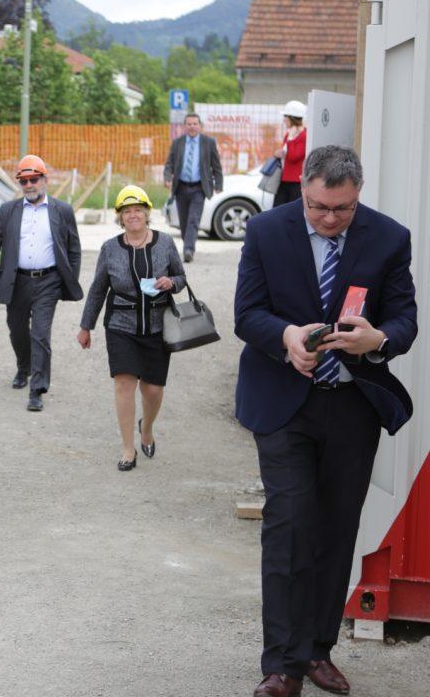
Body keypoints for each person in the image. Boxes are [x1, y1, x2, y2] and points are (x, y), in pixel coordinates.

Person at [234, 145, 417, 697]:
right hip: (282, 402)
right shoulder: (266, 231)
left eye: (342, 209)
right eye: (318, 207)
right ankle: (281, 666)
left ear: (357, 195)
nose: (329, 219)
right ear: (304, 191)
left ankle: (317, 650)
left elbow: (404, 319)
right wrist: (285, 336)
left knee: (337, 530)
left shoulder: (389, 238)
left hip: (352, 404)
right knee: (289, 525)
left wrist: (377, 339)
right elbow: (247, 314)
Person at [76, 185, 186, 470]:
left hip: (157, 327)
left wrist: (171, 283)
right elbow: (98, 289)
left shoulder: (165, 243)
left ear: (147, 214)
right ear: (120, 217)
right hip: (120, 325)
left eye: (138, 210)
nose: (133, 215)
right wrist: (86, 326)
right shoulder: (110, 248)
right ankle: (128, 448)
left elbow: (181, 277)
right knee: (124, 384)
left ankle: (146, 428)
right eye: (127, 211)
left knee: (153, 390)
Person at [0, 154, 82, 411]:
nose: (29, 185)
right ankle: (24, 367)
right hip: (16, 281)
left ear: (44, 180)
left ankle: (37, 389)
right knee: (17, 329)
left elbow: (74, 249)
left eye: (34, 179)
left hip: (48, 281)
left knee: (40, 334)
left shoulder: (62, 210)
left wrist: (68, 279)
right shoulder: (8, 211)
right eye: (24, 181)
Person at [163, 112, 224, 262]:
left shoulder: (208, 142)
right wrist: (167, 178)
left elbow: (216, 165)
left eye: (195, 124)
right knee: (184, 221)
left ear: (200, 126)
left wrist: (218, 183)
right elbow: (169, 163)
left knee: (193, 219)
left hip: (199, 188)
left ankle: (188, 249)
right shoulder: (178, 143)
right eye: (189, 124)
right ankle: (188, 244)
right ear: (185, 126)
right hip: (181, 187)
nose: (192, 126)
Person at [272, 100, 307, 207]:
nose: (284, 119)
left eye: (285, 116)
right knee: (277, 209)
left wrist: (291, 139)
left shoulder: (304, 135)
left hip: (296, 182)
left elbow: (293, 157)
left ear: (292, 118)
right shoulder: (288, 134)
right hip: (284, 179)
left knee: (293, 210)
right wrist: (279, 153)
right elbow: (286, 154)